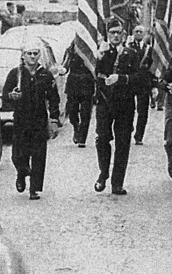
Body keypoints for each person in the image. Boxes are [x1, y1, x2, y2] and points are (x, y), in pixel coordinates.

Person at [2, 37, 61, 200]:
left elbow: (54, 98)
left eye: (35, 54)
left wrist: (54, 119)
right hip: (21, 119)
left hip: (39, 120)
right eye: (29, 54)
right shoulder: (16, 74)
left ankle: (34, 188)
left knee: (38, 155)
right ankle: (22, 173)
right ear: (23, 56)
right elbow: (5, 95)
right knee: (18, 154)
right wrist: (12, 96)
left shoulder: (45, 75)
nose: (33, 57)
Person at [94, 18, 141, 195]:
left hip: (125, 104)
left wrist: (121, 79)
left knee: (123, 143)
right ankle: (103, 172)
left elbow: (139, 78)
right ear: (107, 35)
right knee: (102, 138)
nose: (115, 36)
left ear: (123, 35)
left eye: (118, 32)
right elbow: (92, 74)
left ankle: (117, 182)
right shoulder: (101, 53)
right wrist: (98, 57)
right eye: (112, 33)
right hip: (105, 103)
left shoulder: (131, 53)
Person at [61, 41, 95, 147]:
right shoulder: (70, 50)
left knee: (85, 113)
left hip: (87, 83)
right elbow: (65, 65)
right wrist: (62, 69)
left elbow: (95, 65)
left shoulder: (91, 49)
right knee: (72, 111)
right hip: (73, 84)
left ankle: (82, 138)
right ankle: (76, 127)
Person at [129, 25, 154, 145]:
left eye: (141, 32)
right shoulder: (127, 47)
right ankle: (128, 128)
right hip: (130, 83)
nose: (138, 33)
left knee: (142, 111)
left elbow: (152, 68)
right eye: (136, 31)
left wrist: (154, 85)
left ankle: (139, 136)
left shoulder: (149, 49)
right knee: (128, 109)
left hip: (144, 84)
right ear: (133, 33)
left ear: (144, 34)